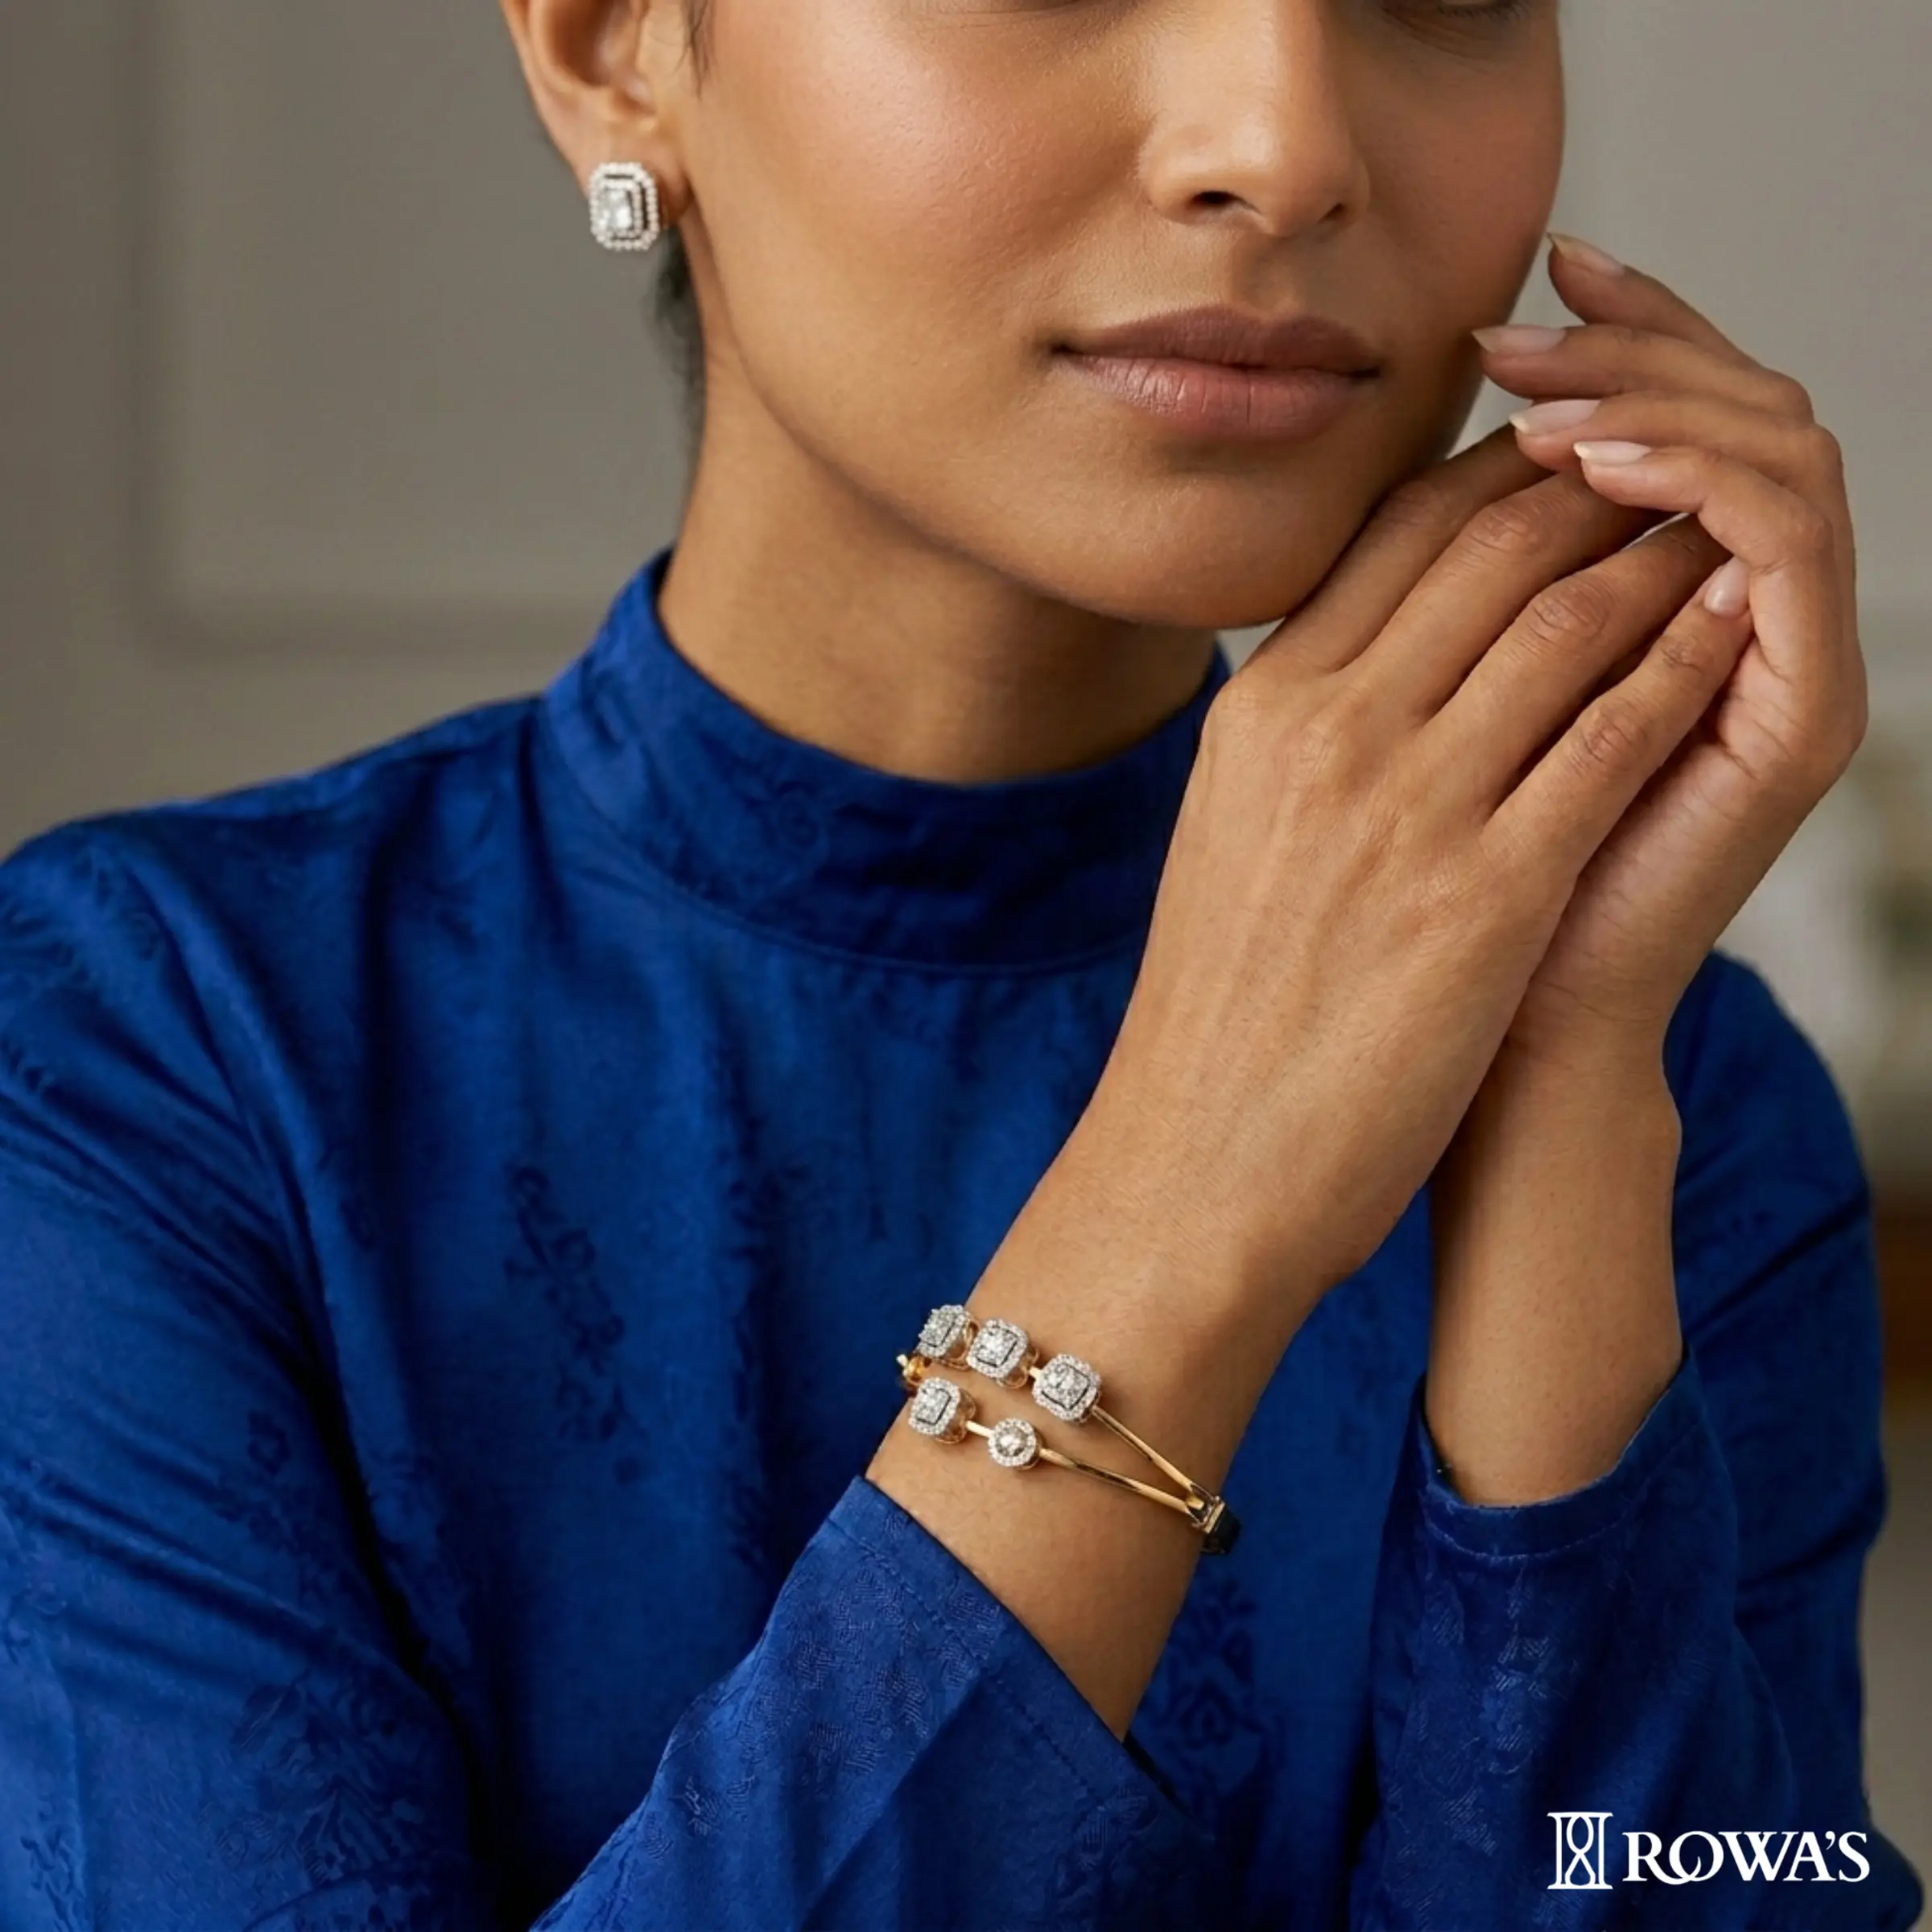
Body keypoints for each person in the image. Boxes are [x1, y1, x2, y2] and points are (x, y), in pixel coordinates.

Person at [0, 0, 1922, 1924]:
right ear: (609, 51)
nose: (1284, 145)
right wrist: (1195, 1194)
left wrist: (1565, 1087)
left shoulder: (1686, 1110)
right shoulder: (131, 1063)